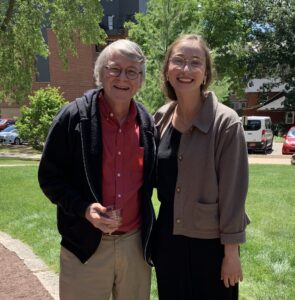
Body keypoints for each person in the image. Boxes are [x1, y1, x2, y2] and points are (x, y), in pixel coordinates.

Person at [38, 39, 156, 300]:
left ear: (140, 79)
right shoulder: (73, 118)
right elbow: (49, 178)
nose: (122, 78)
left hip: (134, 246)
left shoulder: (147, 124)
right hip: (84, 247)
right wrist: (84, 209)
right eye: (114, 69)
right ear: (100, 73)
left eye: (132, 71)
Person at [152, 34, 250, 300]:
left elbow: (233, 197)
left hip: (211, 248)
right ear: (167, 70)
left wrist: (231, 255)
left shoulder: (226, 123)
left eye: (195, 62)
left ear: (205, 73)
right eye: (179, 61)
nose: (186, 70)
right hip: (168, 242)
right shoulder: (160, 118)